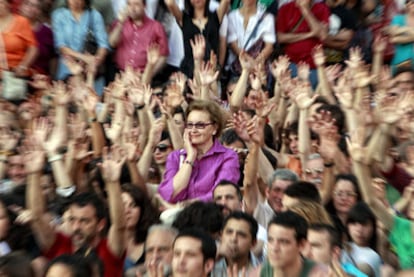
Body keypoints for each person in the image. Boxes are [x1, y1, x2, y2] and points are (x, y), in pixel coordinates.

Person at [25, 143, 126, 277]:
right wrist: (34, 173)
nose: (76, 227)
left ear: (100, 224)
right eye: (73, 220)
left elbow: (119, 226)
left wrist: (112, 183)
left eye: (84, 221)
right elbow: (37, 216)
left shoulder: (109, 249)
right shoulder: (59, 244)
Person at [158, 100, 239, 203]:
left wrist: (185, 206)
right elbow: (168, 194)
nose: (193, 130)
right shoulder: (175, 157)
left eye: (200, 125)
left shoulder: (228, 157)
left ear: (214, 128)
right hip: (179, 217)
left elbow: (220, 196)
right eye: (190, 125)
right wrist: (190, 157)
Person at [51, 0, 109, 90]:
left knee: (91, 100)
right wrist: (85, 58)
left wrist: (95, 63)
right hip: (67, 69)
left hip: (90, 71)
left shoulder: (94, 15)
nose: (75, 1)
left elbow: (103, 45)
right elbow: (61, 46)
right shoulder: (59, 15)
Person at [164, 0, 230, 78]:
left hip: (210, 69)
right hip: (189, 71)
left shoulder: (216, 17)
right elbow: (169, 3)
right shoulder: (184, 19)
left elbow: (226, 1)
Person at [276, 0, 330, 87]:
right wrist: (310, 34)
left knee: (312, 98)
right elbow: (280, 38)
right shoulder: (285, 8)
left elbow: (323, 35)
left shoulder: (322, 8)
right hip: (291, 65)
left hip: (313, 67)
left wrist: (305, 9)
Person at [259, 211, 328, 276]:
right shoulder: (258, 274)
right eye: (270, 240)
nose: (274, 248)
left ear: (302, 245)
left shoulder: (320, 274)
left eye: (283, 242)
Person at [109, 0, 169, 74]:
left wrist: (148, 75)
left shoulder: (156, 27)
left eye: (136, 4)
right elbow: (112, 43)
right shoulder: (119, 23)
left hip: (142, 76)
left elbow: (163, 56)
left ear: (144, 6)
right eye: (129, 4)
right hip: (119, 74)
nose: (132, 8)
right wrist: (121, 23)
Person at [121, 184, 160, 271]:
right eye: (123, 205)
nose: (127, 211)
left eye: (133, 205)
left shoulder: (152, 241)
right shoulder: (107, 242)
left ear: (142, 210)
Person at [213, 212, 260, 277]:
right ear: (221, 236)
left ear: (253, 243)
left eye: (241, 235)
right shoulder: (209, 265)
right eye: (229, 232)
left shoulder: (263, 271)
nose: (233, 239)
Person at [0, 0, 38, 78]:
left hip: (14, 74)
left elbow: (33, 48)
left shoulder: (21, 22)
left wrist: (23, 66)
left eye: (1, 2)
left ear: (9, 4)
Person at [19, 0, 55, 75]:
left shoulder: (47, 31)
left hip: (40, 79)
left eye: (35, 6)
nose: (30, 8)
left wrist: (52, 77)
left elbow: (53, 57)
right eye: (27, 4)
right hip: (15, 77)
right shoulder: (11, 27)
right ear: (21, 7)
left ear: (39, 11)